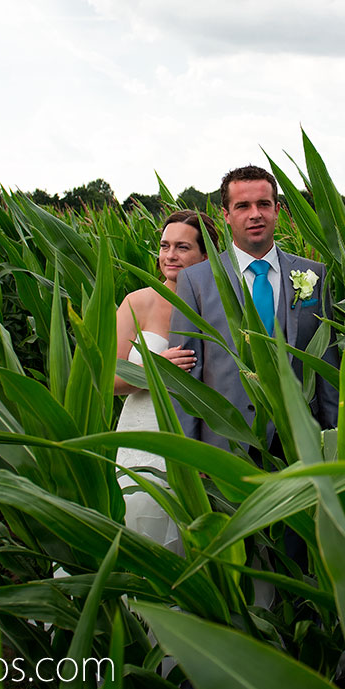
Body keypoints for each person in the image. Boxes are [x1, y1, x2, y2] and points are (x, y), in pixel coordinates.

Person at [168, 165, 340, 451]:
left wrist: (334, 443)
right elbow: (186, 376)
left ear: (277, 210)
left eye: (263, 204)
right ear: (226, 215)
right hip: (227, 443)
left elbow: (327, 368)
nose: (255, 214)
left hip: (303, 443)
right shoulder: (195, 281)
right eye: (242, 206)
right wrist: (191, 455)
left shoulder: (314, 276)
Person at [112, 209, 219, 554]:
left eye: (183, 247)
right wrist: (154, 371)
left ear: (206, 255)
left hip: (201, 440)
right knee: (139, 526)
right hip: (143, 439)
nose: (170, 255)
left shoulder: (220, 307)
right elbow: (107, 377)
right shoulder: (137, 302)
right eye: (165, 246)